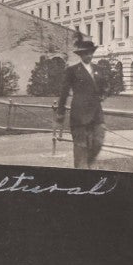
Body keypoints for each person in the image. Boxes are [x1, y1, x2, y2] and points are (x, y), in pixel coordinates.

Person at [54, 37, 106, 169]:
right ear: (81, 55)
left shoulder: (98, 69)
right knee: (80, 146)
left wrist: (103, 94)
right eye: (85, 53)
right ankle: (81, 170)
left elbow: (106, 86)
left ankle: (88, 162)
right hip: (79, 114)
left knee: (98, 141)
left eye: (90, 53)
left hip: (96, 113)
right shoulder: (72, 70)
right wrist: (60, 113)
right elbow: (64, 92)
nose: (88, 55)